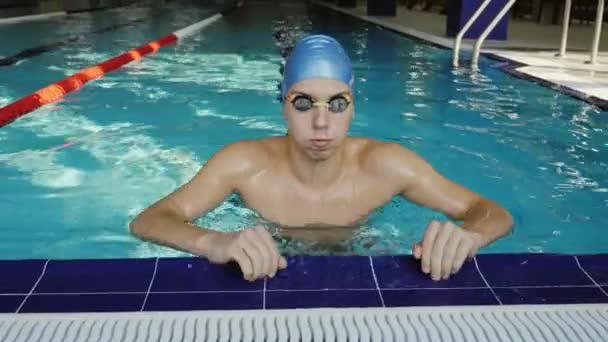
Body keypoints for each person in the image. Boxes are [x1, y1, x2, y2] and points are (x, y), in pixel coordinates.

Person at [130, 34, 513, 282]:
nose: (321, 122)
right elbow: (149, 221)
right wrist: (214, 242)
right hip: (266, 260)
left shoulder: (387, 165)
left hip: (361, 249)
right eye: (302, 103)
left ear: (352, 106)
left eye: (336, 104)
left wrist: (467, 236)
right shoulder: (244, 164)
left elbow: (490, 210)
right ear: (283, 107)